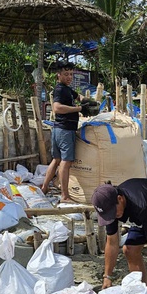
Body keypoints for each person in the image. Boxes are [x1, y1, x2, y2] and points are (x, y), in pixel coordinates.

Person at [41, 61, 81, 203]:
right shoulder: (60, 90)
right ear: (58, 75)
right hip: (65, 130)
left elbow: (79, 97)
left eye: (71, 74)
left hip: (58, 129)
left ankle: (44, 188)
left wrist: (88, 102)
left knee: (56, 159)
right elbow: (57, 108)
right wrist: (79, 109)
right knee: (66, 161)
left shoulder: (68, 89)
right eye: (66, 74)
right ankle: (65, 196)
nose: (69, 77)